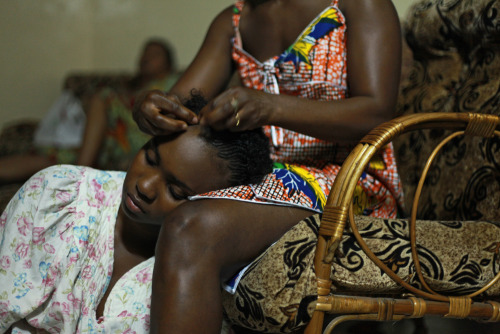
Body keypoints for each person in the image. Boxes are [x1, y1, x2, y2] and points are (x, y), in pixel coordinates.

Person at [131, 0, 403, 333]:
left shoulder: (358, 5)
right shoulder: (233, 21)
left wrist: (270, 107)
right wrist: (149, 108)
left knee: (190, 227)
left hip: (352, 181)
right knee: (166, 198)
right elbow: (177, 110)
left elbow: (377, 114)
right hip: (268, 178)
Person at [0, 94, 273, 333]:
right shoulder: (58, 193)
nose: (144, 186)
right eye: (150, 158)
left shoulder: (198, 278)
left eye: (176, 191)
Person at [0, 38, 179, 184]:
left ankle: (79, 177)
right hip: (105, 140)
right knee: (51, 156)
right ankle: (79, 164)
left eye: (154, 54)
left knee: (101, 98)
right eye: (144, 52)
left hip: (142, 135)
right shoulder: (128, 85)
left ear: (169, 63)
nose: (146, 57)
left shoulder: (175, 80)